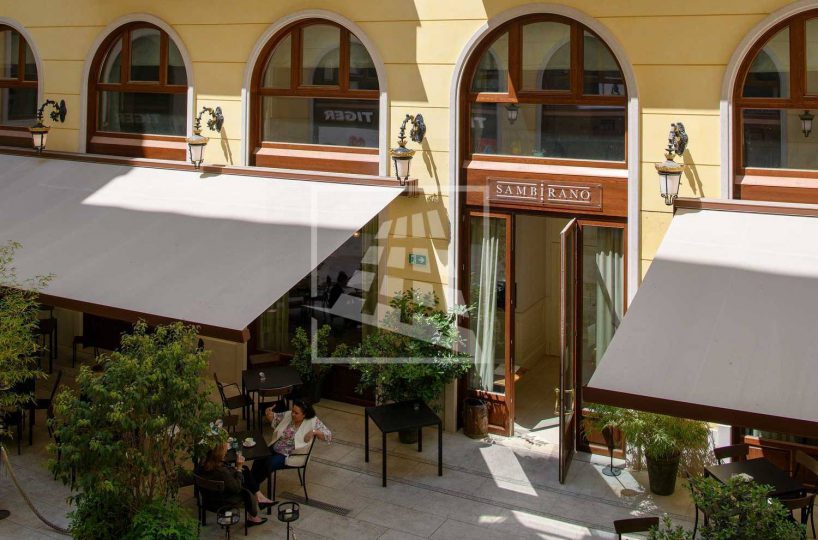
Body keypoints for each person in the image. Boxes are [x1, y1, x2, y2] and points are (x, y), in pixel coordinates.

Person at [251, 400, 332, 488]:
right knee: (259, 457)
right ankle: (251, 485)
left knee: (269, 463)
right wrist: (268, 413)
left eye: (296, 413)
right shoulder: (288, 415)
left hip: (290, 454)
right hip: (276, 447)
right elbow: (274, 419)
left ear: (304, 415)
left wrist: (314, 431)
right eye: (292, 411)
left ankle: (251, 487)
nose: (292, 414)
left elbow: (328, 435)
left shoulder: (313, 421)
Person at [198, 442, 272, 527]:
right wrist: (239, 468)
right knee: (246, 491)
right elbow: (236, 488)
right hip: (222, 501)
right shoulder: (222, 472)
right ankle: (253, 516)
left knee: (245, 470)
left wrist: (234, 469)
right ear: (219, 453)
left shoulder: (202, 464)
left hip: (207, 497)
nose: (226, 452)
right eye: (225, 450)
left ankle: (259, 496)